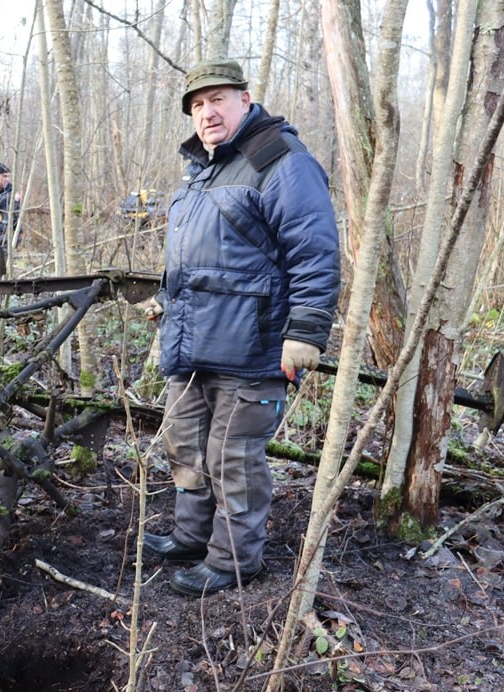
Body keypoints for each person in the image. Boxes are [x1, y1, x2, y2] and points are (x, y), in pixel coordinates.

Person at [143, 59, 340, 596]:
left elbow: (314, 250)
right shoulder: (202, 169)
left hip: (253, 349)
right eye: (197, 105)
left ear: (245, 99)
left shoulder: (279, 160)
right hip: (193, 346)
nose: (207, 113)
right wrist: (166, 301)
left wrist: (306, 329)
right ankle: (190, 537)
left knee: (233, 458)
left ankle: (233, 560)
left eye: (218, 100)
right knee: (187, 446)